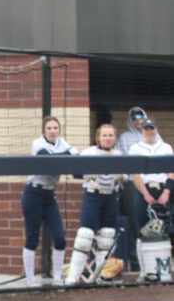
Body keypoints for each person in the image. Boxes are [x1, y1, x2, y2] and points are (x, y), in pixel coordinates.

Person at [65, 124, 126, 285]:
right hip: (93, 197)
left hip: (111, 198)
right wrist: (90, 177)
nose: (107, 138)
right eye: (104, 135)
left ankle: (102, 275)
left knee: (106, 237)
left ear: (115, 138)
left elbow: (125, 176)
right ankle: (73, 276)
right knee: (84, 236)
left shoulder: (119, 155)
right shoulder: (89, 152)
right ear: (98, 137)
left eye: (110, 135)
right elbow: (75, 172)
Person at [21, 116, 75, 286]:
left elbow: (72, 154)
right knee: (32, 239)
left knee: (60, 238)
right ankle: (30, 280)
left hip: (50, 195)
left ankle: (57, 277)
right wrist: (66, 155)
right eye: (49, 128)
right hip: (33, 194)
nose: (53, 131)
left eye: (55, 128)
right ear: (44, 131)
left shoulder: (62, 142)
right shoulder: (37, 143)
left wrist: (66, 154)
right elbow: (49, 161)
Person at [127, 119, 174, 282]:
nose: (149, 131)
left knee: (166, 230)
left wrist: (167, 192)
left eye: (152, 128)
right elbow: (135, 174)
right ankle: (144, 271)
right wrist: (145, 194)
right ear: (142, 131)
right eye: (146, 128)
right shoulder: (135, 148)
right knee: (142, 231)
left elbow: (171, 172)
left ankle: (165, 269)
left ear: (156, 129)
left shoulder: (166, 147)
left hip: (163, 190)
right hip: (143, 190)